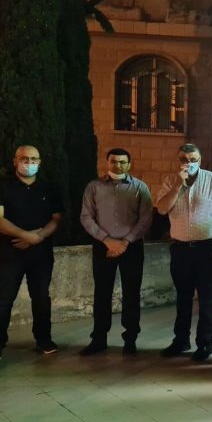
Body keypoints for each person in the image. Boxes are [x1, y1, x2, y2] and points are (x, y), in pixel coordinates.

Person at [156, 143, 212, 362]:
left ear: (200, 160)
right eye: (184, 159)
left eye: (193, 159)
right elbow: (162, 209)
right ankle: (181, 340)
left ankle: (205, 343)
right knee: (183, 298)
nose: (188, 163)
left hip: (207, 249)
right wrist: (178, 186)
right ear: (178, 160)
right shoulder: (170, 180)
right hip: (181, 249)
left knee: (207, 300)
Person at [79, 148, 152, 356]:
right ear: (107, 162)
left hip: (132, 247)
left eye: (122, 162)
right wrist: (107, 240)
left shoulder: (140, 187)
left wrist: (125, 242)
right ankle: (99, 339)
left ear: (129, 164)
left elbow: (146, 218)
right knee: (102, 293)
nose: (117, 165)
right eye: (113, 161)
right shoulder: (94, 187)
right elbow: (86, 217)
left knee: (131, 293)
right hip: (103, 246)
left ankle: (130, 339)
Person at [0, 145, 63, 359]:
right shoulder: (4, 187)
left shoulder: (49, 188)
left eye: (34, 159)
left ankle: (44, 340)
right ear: (15, 161)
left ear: (40, 162)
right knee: (4, 298)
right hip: (9, 254)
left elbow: (56, 219)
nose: (29, 163)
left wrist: (39, 237)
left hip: (41, 255)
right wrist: (27, 236)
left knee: (41, 298)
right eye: (24, 159)